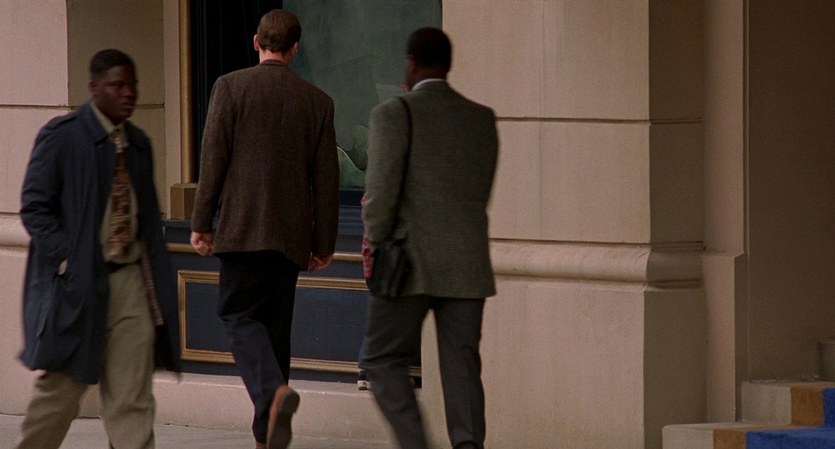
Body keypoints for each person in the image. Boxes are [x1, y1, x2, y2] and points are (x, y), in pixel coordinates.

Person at [15, 48, 181, 449]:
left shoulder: (138, 144)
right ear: (94, 88)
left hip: (130, 285)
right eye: (117, 85)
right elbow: (34, 208)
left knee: (132, 399)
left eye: (133, 85)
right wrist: (67, 259)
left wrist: (159, 288)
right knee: (60, 394)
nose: (129, 93)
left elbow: (147, 224)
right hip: (78, 286)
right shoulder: (63, 136)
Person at [190, 9, 339, 449]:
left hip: (241, 230)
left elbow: (213, 160)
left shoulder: (229, 87)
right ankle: (266, 436)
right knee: (275, 336)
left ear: (256, 42)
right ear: (295, 49)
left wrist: (201, 223)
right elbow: (326, 181)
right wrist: (324, 243)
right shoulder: (317, 101)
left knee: (238, 315)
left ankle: (273, 396)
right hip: (290, 238)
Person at [362, 27, 499, 449]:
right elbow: (479, 190)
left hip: (408, 263)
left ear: (411, 64)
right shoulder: (481, 118)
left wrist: (374, 241)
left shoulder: (394, 114)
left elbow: (380, 194)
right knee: (462, 367)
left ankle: (415, 442)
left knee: (381, 357)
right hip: (467, 262)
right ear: (448, 65)